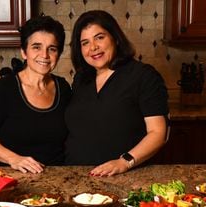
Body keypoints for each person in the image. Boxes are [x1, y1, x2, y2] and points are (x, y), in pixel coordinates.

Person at [65, 10, 169, 176]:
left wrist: (124, 162)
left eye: (99, 37)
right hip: (76, 175)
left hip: (124, 176)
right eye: (85, 42)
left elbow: (157, 133)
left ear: (115, 38)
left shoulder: (143, 76)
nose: (93, 47)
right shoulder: (81, 78)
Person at [0, 16, 71, 173]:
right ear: (24, 52)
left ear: (58, 55)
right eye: (36, 47)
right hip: (17, 177)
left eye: (52, 49)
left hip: (59, 176)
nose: (44, 55)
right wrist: (15, 159)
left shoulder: (63, 87)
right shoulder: (5, 88)